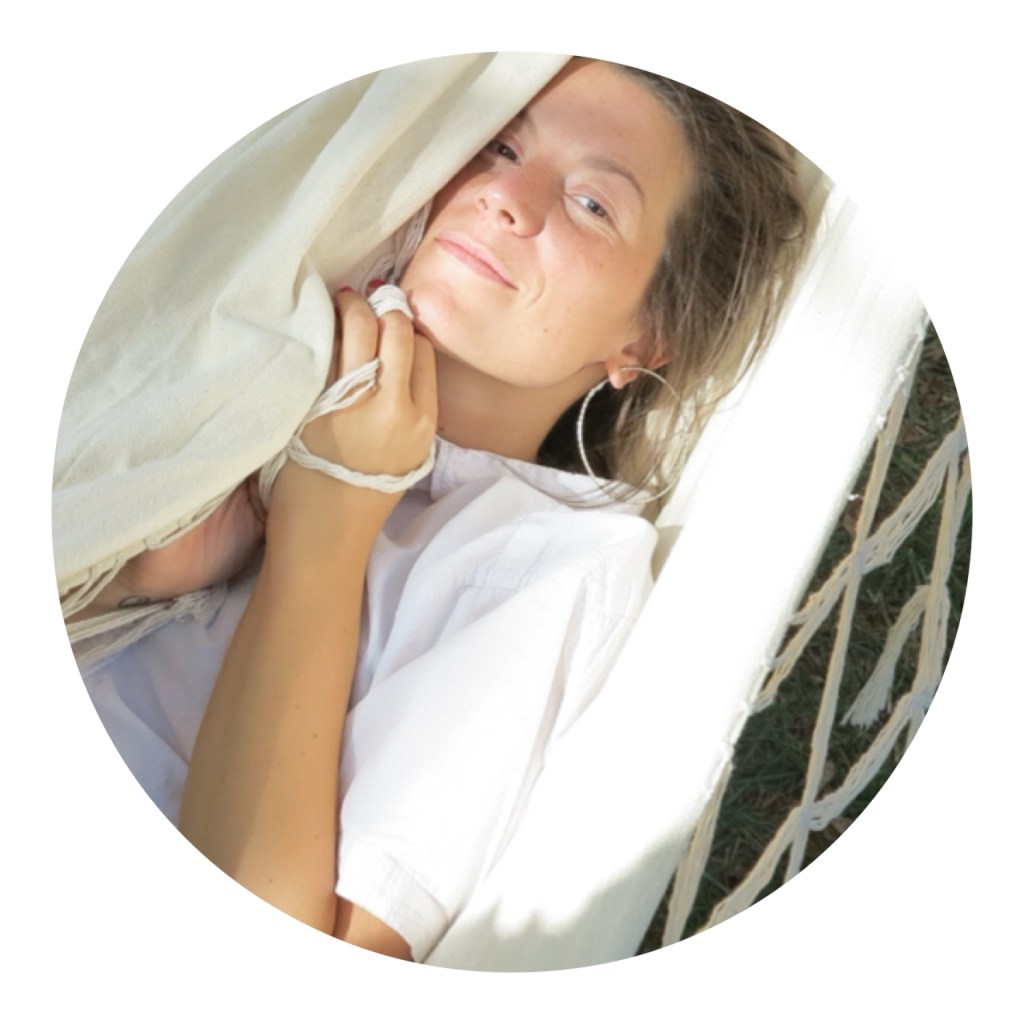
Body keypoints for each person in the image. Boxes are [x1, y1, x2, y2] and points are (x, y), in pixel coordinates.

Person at [74, 57, 807, 963]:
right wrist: (133, 581)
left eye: (592, 204)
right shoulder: (256, 332)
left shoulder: (551, 563)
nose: (506, 197)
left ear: (644, 339)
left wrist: (325, 529)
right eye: (501, 146)